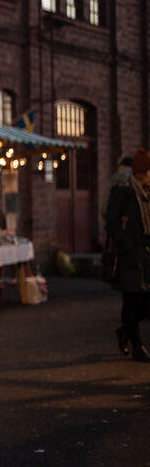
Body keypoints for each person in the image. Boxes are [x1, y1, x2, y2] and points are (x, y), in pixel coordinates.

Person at [107, 149, 150, 362]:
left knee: (144, 303)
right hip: (129, 256)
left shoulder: (148, 194)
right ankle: (137, 346)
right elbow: (112, 224)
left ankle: (125, 330)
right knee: (132, 301)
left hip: (146, 256)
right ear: (145, 172)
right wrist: (131, 249)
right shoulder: (124, 193)